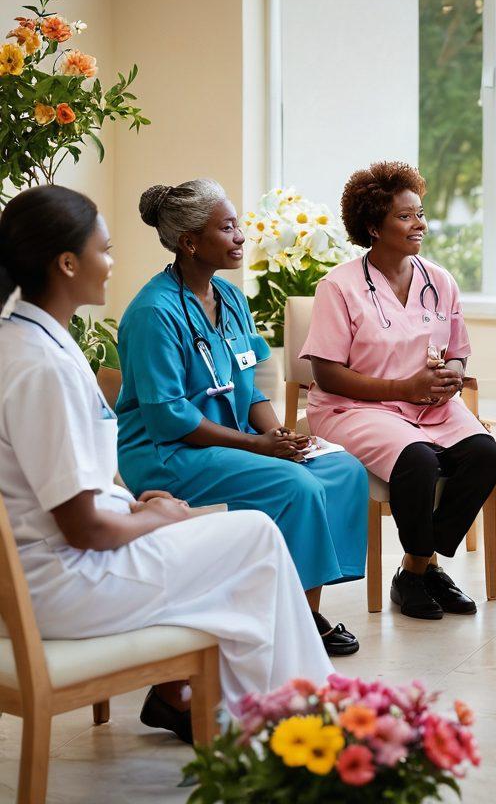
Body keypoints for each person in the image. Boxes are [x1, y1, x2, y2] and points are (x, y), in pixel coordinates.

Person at [0, 186, 333, 744]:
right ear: (66, 263)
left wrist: (134, 505)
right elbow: (84, 528)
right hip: (61, 584)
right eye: (103, 250)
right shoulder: (45, 368)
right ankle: (291, 725)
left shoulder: (22, 342)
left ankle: (210, 701)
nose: (112, 263)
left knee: (241, 544)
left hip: (49, 565)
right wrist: (162, 518)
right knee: (254, 540)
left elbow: (50, 493)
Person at [116, 180, 367, 657]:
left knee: (341, 469)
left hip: (234, 440)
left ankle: (304, 614)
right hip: (168, 453)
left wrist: (279, 435)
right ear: (190, 242)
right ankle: (287, 619)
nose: (240, 237)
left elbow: (248, 385)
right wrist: (258, 446)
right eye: (227, 228)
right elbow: (168, 417)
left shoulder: (230, 299)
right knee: (297, 486)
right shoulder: (153, 313)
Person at [301, 161, 496, 621]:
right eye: (406, 216)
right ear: (373, 226)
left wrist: (450, 374)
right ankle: (422, 572)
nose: (420, 225)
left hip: (426, 404)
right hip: (353, 407)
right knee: (419, 462)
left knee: (485, 456)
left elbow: (457, 350)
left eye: (421, 213)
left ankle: (416, 570)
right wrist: (405, 387)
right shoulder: (339, 286)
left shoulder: (439, 280)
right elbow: (328, 375)